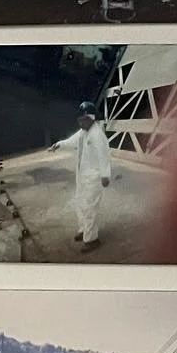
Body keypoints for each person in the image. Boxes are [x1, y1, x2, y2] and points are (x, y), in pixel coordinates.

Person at [51, 105, 114, 249]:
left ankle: (91, 240)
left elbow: (104, 155)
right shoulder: (83, 132)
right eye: (79, 120)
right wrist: (58, 145)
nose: (80, 123)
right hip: (82, 176)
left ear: (91, 118)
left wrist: (105, 175)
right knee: (80, 203)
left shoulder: (97, 134)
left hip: (94, 178)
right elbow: (71, 141)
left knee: (90, 207)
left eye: (83, 120)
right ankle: (84, 229)